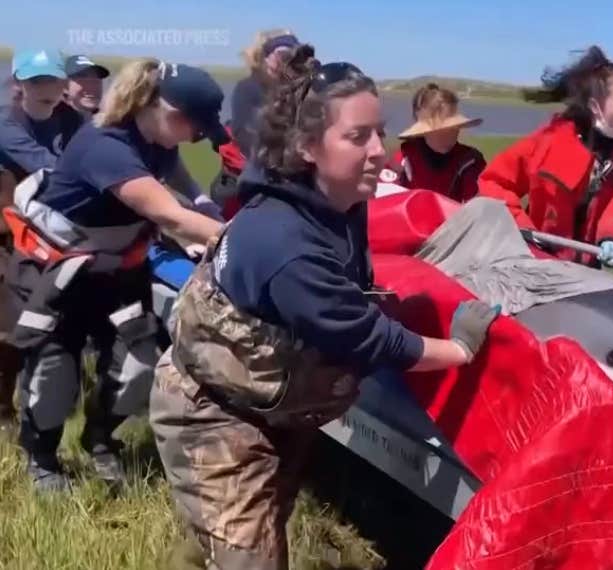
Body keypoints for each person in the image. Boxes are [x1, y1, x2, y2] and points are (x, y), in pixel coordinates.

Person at [148, 45, 499, 570]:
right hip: (217, 414)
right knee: (250, 560)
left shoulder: (341, 201)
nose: (379, 150)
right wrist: (459, 347)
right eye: (358, 137)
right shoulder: (285, 242)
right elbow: (370, 338)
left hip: (276, 403)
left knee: (252, 528)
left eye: (380, 131)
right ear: (308, 146)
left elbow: (357, 288)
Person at [4, 58, 228, 492]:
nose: (197, 139)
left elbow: (184, 188)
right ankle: (43, 459)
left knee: (138, 363)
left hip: (118, 271)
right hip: (57, 272)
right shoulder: (107, 147)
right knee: (55, 369)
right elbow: (168, 215)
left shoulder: (160, 140)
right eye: (195, 129)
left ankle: (100, 438)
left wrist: (208, 211)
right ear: (168, 113)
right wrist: (251, 243)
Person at [478, 46, 613, 269]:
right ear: (594, 106)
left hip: (589, 268)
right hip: (535, 260)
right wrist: (521, 229)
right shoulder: (547, 141)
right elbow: (494, 181)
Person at [0, 48, 84, 434]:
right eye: (36, 81)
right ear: (19, 83)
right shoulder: (5, 123)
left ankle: (46, 411)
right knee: (10, 329)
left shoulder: (75, 123)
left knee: (55, 322)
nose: (46, 89)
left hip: (58, 235)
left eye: (52, 79)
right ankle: (6, 410)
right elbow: (42, 164)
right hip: (8, 233)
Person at [208, 29, 300, 218]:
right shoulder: (248, 88)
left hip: (283, 178)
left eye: (294, 56)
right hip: (243, 183)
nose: (287, 62)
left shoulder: (295, 91)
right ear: (265, 56)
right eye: (282, 55)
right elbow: (245, 135)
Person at [380, 82, 486, 201]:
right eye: (442, 130)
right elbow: (385, 201)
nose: (450, 134)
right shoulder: (403, 159)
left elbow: (475, 207)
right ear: (424, 131)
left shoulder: (470, 161)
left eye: (454, 127)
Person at [63, 54, 110, 119]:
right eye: (82, 81)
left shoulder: (109, 123)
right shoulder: (50, 122)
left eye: (96, 81)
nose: (91, 88)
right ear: (64, 86)